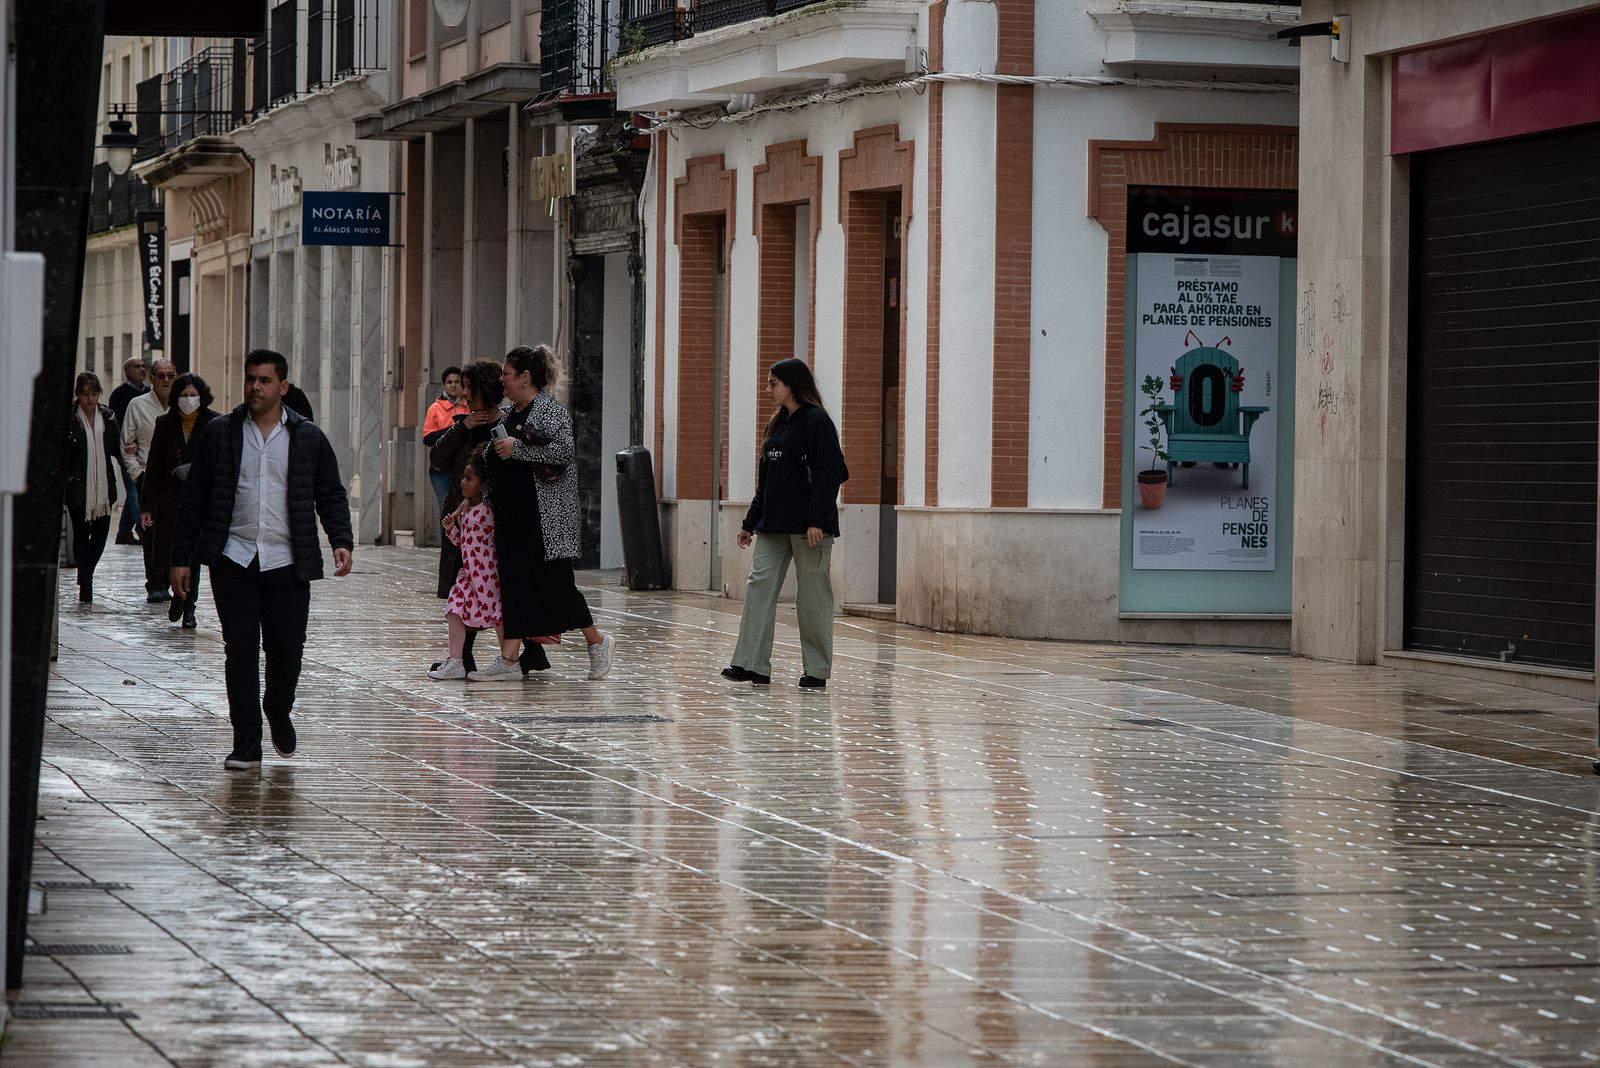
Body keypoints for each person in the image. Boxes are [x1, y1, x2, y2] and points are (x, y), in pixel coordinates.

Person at [170, 349, 354, 771]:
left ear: (283, 387)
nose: (255, 387)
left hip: (288, 562)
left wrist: (340, 539)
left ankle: (277, 709)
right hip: (234, 558)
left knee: (287, 649)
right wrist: (181, 558)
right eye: (251, 379)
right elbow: (194, 499)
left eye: (265, 380)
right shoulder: (221, 433)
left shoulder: (306, 437)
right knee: (240, 650)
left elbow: (330, 492)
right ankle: (246, 742)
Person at [481, 344, 614, 682]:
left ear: (525, 378)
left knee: (556, 585)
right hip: (512, 516)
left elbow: (565, 451)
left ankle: (597, 642)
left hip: (545, 518)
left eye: (507, 374)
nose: (502, 380)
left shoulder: (548, 410)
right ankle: (509, 659)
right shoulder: (511, 414)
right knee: (514, 585)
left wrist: (518, 448)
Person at [721, 358, 849, 689]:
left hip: (810, 528)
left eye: (773, 384)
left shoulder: (817, 422)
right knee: (758, 587)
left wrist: (816, 519)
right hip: (773, 525)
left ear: (792, 384)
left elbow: (830, 473)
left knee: (812, 598)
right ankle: (751, 664)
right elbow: (768, 482)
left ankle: (817, 670)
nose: (767, 391)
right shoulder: (777, 425)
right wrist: (749, 523)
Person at [427, 359, 552, 676]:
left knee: (491, 592)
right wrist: (461, 427)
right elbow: (438, 459)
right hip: (464, 523)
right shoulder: (462, 422)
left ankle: (521, 654)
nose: (464, 394)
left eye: (469, 387)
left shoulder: (507, 424)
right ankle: (466, 658)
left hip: (494, 524)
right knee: (464, 588)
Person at [428, 448, 557, 680]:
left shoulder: (489, 511)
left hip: (489, 578)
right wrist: (451, 531)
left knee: (499, 618)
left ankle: (509, 661)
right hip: (468, 576)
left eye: (469, 478)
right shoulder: (466, 511)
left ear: (484, 485)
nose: (463, 482)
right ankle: (456, 660)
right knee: (454, 610)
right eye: (463, 477)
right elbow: (466, 544)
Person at [140, 372, 219, 629]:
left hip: (201, 500)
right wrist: (147, 506)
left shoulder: (214, 423)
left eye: (193, 395)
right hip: (171, 499)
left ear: (202, 397)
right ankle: (177, 595)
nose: (189, 399)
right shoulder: (165, 423)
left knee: (194, 554)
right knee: (176, 551)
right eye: (184, 395)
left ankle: (189, 607)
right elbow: (154, 467)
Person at [65, 372, 122, 603]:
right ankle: (86, 583)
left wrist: (129, 453)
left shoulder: (107, 417)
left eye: (94, 394)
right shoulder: (70, 419)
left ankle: (85, 573)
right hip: (78, 486)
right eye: (85, 395)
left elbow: (116, 447)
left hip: (104, 487)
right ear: (78, 395)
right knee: (81, 535)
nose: (90, 399)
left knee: (100, 536)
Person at [122, 358, 177, 602]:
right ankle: (155, 582)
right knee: (150, 530)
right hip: (147, 476)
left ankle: (171, 579)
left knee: (175, 531)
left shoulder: (181, 406)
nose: (166, 380)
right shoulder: (138, 405)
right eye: (160, 375)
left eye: (169, 375)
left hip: (176, 480)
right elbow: (125, 444)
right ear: (152, 379)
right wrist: (137, 474)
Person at [108, 355, 148, 545]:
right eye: (137, 366)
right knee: (134, 490)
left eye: (143, 366)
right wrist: (119, 450)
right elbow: (115, 424)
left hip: (145, 450)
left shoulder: (149, 392)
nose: (142, 369)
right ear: (127, 372)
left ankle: (123, 532)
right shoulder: (119, 394)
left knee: (137, 489)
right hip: (128, 451)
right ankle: (142, 527)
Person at [422, 366, 468, 514]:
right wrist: (454, 430)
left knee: (463, 509)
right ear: (443, 385)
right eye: (449, 382)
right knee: (446, 509)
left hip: (463, 467)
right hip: (441, 469)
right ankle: (445, 538)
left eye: (457, 382)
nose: (453, 385)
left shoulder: (468, 406)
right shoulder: (434, 408)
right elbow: (428, 438)